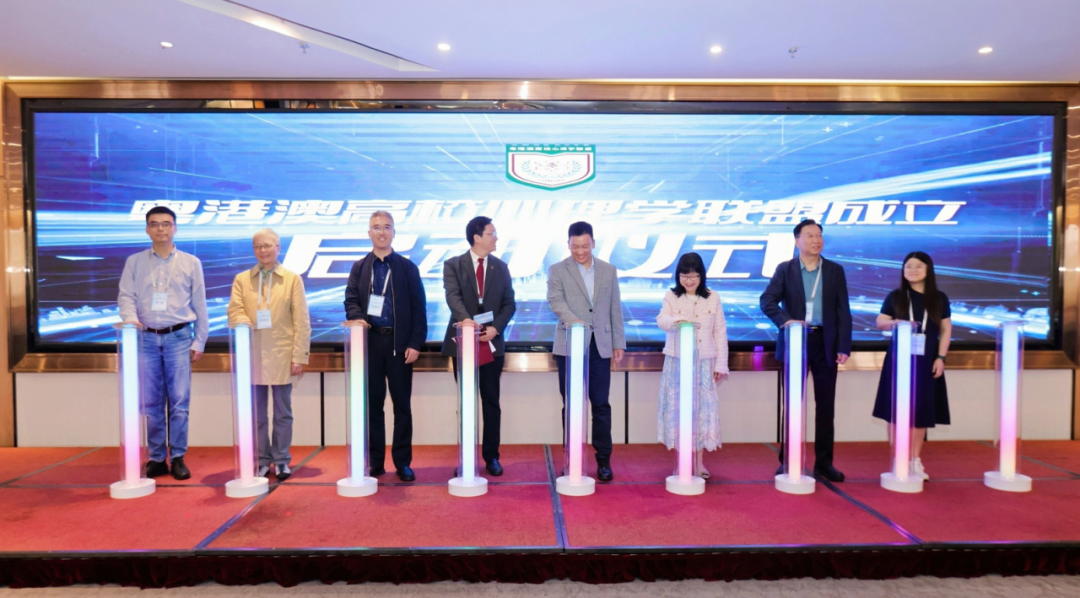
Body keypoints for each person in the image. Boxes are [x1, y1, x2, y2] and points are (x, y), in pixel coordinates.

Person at [117, 206, 208, 481]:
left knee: (179, 401)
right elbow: (126, 296)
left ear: (175, 228)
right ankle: (157, 458)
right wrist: (131, 321)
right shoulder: (135, 262)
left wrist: (200, 340)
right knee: (151, 401)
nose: (160, 228)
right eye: (154, 224)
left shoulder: (191, 262)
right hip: (145, 338)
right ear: (147, 229)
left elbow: (200, 304)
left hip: (179, 338)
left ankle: (178, 456)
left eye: (166, 224)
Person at [759, 219, 852, 482]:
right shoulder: (785, 269)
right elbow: (767, 300)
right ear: (797, 240)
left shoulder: (834, 270)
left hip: (826, 344)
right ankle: (788, 461)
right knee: (792, 405)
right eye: (809, 235)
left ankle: (824, 463)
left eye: (819, 235)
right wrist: (786, 321)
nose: (816, 240)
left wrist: (844, 345)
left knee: (826, 406)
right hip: (796, 343)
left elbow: (843, 310)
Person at [343, 210, 427, 482]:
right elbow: (351, 300)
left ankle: (403, 463)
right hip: (369, 344)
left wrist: (415, 342)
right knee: (373, 406)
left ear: (394, 232)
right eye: (376, 227)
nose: (382, 232)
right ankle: (375, 462)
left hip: (399, 346)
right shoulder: (360, 267)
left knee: (402, 406)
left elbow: (419, 308)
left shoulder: (406, 268)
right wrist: (357, 317)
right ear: (369, 233)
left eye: (387, 227)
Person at [226, 228, 311, 481]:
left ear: (278, 247)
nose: (263, 250)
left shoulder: (292, 279)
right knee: (257, 414)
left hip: (283, 354)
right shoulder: (242, 279)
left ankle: (282, 460)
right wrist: (243, 320)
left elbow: (302, 320)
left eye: (267, 245)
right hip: (253, 354)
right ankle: (263, 460)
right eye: (258, 246)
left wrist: (299, 355)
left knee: (283, 413)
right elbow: (234, 311)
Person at [547, 221, 626, 482]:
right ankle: (572, 459)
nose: (580, 251)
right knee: (571, 405)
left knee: (601, 404)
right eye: (575, 246)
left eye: (584, 246)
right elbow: (555, 301)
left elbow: (615, 307)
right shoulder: (558, 270)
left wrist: (618, 342)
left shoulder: (608, 270)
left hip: (599, 346)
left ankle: (603, 460)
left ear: (593, 243)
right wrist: (575, 322)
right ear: (568, 244)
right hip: (569, 345)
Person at [442, 216, 517, 477]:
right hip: (464, 342)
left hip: (491, 343)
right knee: (466, 402)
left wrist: (495, 328)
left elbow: (509, 304)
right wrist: (468, 324)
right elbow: (453, 297)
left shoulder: (501, 267)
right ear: (476, 237)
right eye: (491, 233)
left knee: (491, 401)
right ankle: (466, 457)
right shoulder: (453, 265)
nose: (496, 237)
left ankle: (491, 457)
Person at [872, 251, 952, 480]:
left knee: (921, 411)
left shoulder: (939, 298)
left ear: (928, 270)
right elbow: (880, 322)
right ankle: (898, 457)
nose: (913, 270)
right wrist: (894, 323)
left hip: (926, 361)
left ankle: (914, 459)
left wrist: (941, 357)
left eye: (918, 266)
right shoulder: (896, 296)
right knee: (895, 410)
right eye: (908, 266)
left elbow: (946, 329)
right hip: (898, 361)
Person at [655, 253, 729, 478]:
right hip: (677, 363)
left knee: (700, 414)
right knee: (679, 413)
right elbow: (661, 320)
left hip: (704, 364)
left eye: (694, 276)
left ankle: (699, 464)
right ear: (678, 276)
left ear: (701, 276)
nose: (689, 280)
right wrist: (676, 322)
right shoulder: (671, 296)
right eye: (685, 276)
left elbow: (720, 332)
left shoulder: (713, 297)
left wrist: (721, 365)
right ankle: (681, 463)